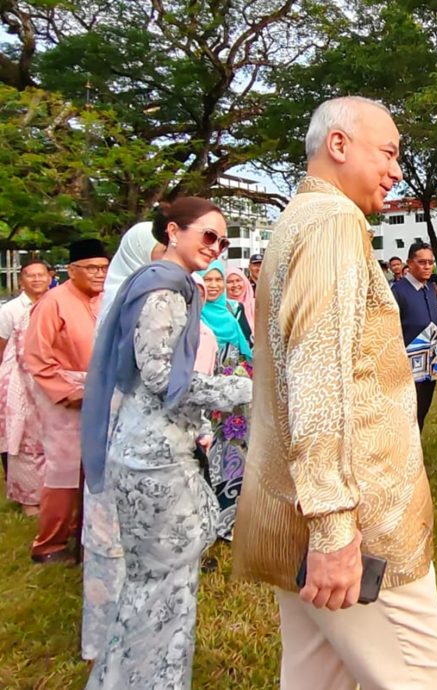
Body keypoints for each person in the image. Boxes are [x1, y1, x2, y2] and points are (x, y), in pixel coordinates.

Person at [231, 96, 437, 690]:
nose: (397, 170)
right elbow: (319, 380)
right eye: (388, 152)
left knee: (317, 675)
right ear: (338, 145)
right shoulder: (332, 224)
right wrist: (333, 532)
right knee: (424, 677)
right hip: (359, 527)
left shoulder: (298, 220)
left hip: (295, 505)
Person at [81, 197, 251, 689]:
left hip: (150, 448)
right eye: (207, 236)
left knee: (151, 588)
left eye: (222, 241)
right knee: (164, 592)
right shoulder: (162, 292)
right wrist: (245, 390)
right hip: (155, 458)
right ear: (173, 232)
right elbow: (160, 377)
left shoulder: (170, 287)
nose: (215, 248)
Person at [80, 221, 164, 663]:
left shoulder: (147, 296)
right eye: (157, 251)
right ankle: (110, 642)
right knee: (111, 536)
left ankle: (137, 637)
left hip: (138, 431)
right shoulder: (124, 303)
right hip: (118, 431)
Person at [23, 239, 109, 564]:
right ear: (72, 271)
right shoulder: (52, 303)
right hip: (63, 398)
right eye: (92, 268)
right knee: (65, 470)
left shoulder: (106, 300)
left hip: (100, 394)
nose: (100, 274)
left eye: (104, 267)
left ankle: (86, 537)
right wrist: (70, 393)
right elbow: (36, 358)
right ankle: (49, 545)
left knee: (97, 468)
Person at [197, 259, 253, 540]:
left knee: (234, 454)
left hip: (235, 401)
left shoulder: (231, 311)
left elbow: (245, 348)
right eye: (209, 280)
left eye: (219, 280)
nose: (216, 285)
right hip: (207, 400)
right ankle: (210, 518)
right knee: (209, 455)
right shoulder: (195, 316)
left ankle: (232, 515)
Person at [0, 258, 52, 511]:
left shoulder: (53, 304)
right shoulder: (12, 311)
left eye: (41, 275)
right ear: (21, 280)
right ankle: (26, 499)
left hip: (46, 382)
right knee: (22, 439)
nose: (37, 280)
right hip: (21, 379)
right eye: (31, 276)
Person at [392, 241, 437, 430]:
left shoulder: (429, 288)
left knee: (422, 408)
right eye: (422, 262)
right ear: (410, 263)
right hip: (408, 361)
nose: (427, 267)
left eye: (430, 262)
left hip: (430, 360)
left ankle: (416, 449)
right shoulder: (398, 292)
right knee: (407, 411)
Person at [226, 266, 256, 336]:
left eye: (238, 280)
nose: (235, 285)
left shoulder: (255, 305)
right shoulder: (222, 307)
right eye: (230, 282)